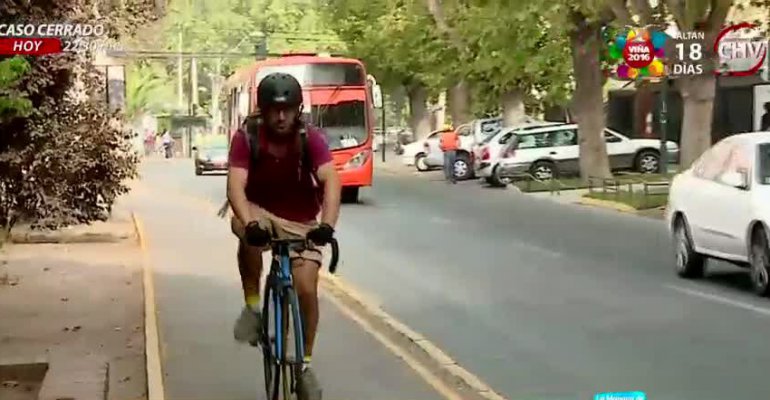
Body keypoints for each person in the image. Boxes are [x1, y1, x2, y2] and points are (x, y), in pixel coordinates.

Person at [226, 72, 341, 400]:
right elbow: (235, 186)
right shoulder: (247, 137)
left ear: (297, 110)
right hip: (259, 211)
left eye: (287, 110)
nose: (280, 117)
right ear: (262, 110)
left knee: (306, 288)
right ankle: (253, 307)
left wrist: (327, 225)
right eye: (274, 110)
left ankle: (304, 366)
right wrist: (250, 224)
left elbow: (331, 181)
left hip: (301, 221)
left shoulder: (310, 138)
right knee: (248, 234)